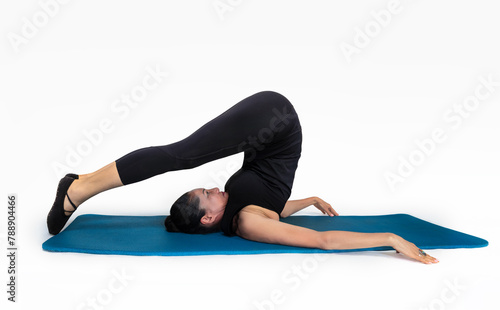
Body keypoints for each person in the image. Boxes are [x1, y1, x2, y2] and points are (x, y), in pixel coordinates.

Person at [47, 91, 439, 264]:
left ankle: (79, 185)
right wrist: (388, 239)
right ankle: (78, 187)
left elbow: (274, 210)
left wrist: (311, 200)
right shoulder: (249, 222)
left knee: (182, 154)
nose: (215, 187)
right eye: (207, 194)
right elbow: (321, 240)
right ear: (208, 217)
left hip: (268, 123)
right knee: (181, 155)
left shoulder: (242, 213)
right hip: (274, 122)